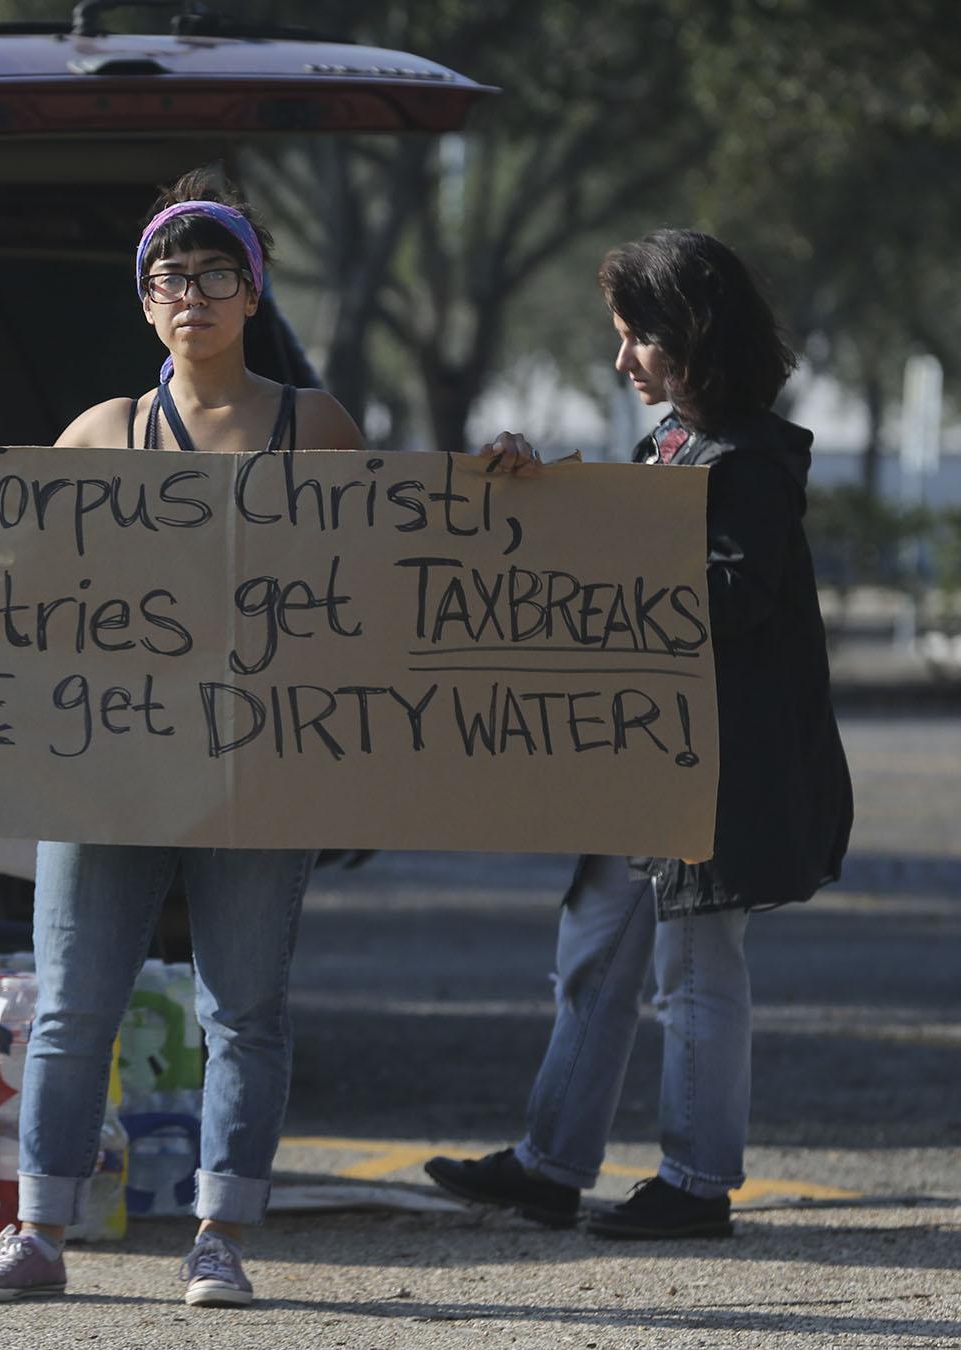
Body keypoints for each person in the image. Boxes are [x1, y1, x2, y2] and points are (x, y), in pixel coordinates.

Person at [0, 169, 363, 1307]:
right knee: (72, 1005)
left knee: (242, 1009)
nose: (187, 295)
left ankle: (218, 1240)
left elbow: (398, 561)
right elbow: (6, 564)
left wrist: (504, 484)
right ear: (142, 304)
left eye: (211, 274)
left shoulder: (318, 428)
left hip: (261, 764)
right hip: (104, 767)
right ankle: (37, 1235)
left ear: (252, 291)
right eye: (166, 278)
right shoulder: (99, 433)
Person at [425, 228, 853, 1239]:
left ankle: (695, 1186)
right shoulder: (671, 445)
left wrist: (597, 556)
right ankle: (549, 1161)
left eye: (637, 341)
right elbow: (619, 548)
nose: (622, 363)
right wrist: (540, 491)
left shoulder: (743, 457)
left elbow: (733, 599)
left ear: (694, 338)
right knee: (595, 957)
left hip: (705, 773)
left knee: (695, 973)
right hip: (650, 762)